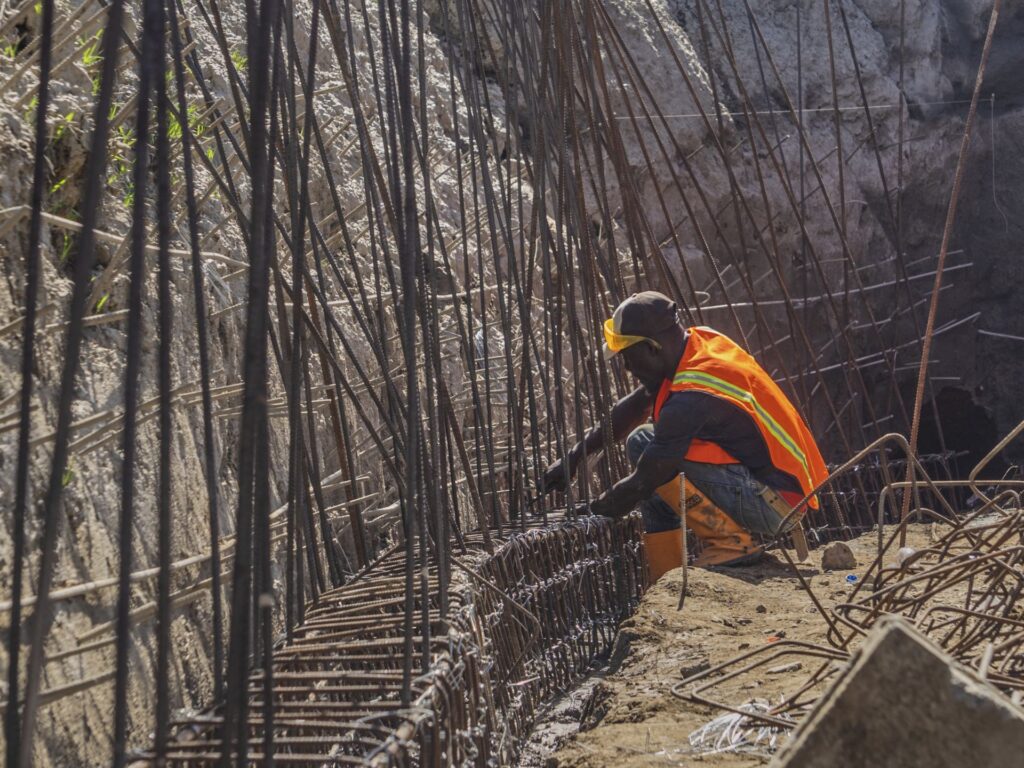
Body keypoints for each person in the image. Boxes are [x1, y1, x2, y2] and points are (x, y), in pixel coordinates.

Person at [539, 291, 828, 579]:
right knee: (649, 451)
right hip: (777, 493)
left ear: (652, 349)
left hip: (774, 506)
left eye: (628, 357)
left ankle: (729, 542)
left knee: (649, 455)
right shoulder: (697, 345)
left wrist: (592, 512)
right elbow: (635, 406)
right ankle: (668, 575)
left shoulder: (694, 393)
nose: (626, 367)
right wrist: (575, 456)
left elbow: (643, 481)